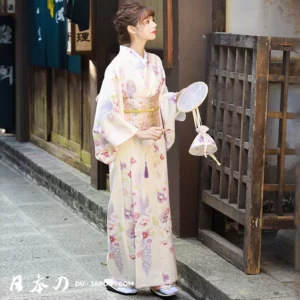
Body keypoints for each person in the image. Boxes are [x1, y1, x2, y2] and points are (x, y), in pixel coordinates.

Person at [92, 1, 186, 297]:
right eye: (146, 21)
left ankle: (158, 276)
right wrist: (137, 131)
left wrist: (179, 101)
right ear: (132, 29)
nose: (152, 24)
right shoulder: (116, 67)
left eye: (152, 19)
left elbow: (161, 100)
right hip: (129, 144)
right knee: (127, 208)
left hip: (152, 145)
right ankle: (123, 275)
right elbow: (105, 111)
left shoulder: (155, 63)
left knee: (156, 209)